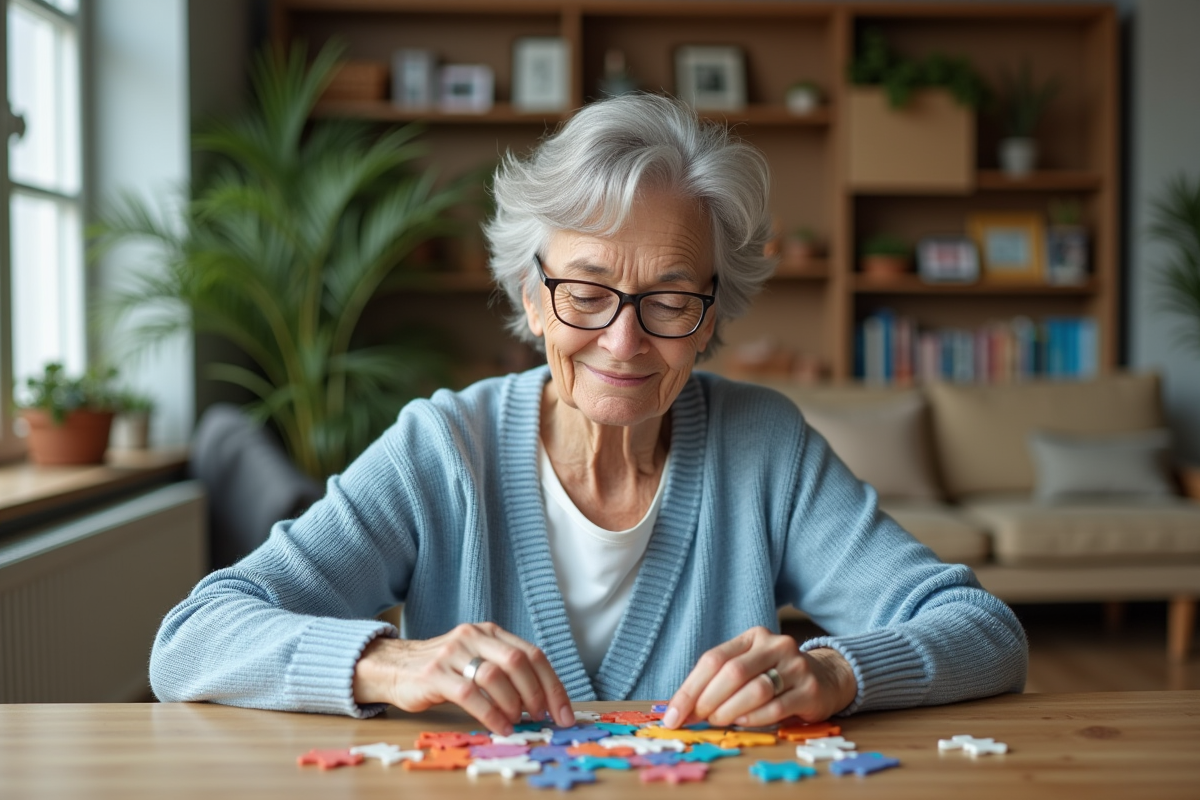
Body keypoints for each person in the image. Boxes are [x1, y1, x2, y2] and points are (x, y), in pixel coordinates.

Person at [150, 93, 1027, 735]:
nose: (624, 340)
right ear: (532, 298)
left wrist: (835, 671)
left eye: (670, 299)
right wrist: (389, 660)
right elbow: (191, 639)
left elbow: (986, 633)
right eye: (586, 293)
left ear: (711, 319)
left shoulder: (767, 449)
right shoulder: (442, 449)